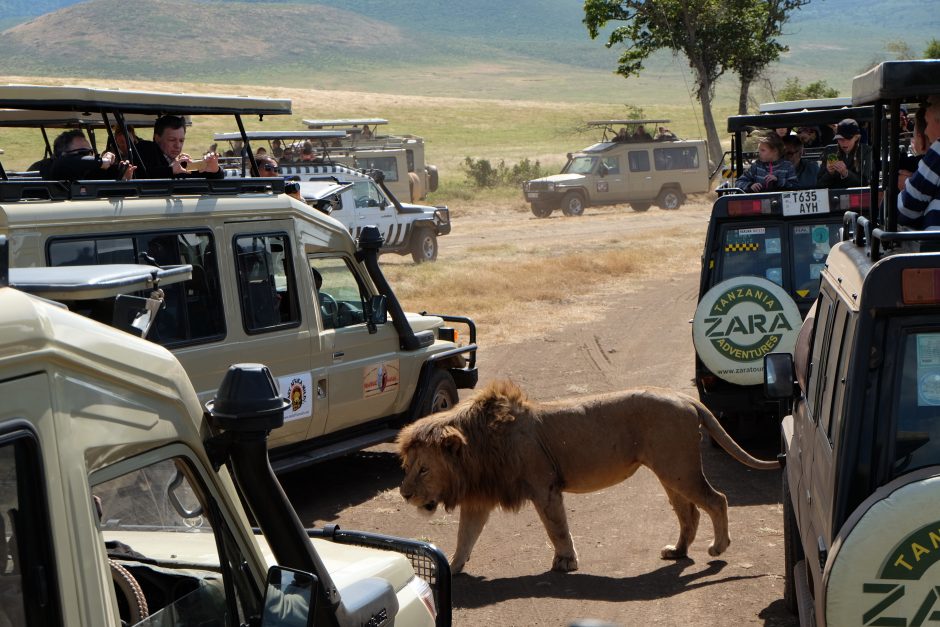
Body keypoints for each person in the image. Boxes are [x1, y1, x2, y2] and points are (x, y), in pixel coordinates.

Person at [897, 96, 940, 230]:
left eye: (928, 123)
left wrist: (906, 184)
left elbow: (905, 209)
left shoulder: (938, 152)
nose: (926, 131)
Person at [135, 115, 222, 179]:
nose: (178, 146)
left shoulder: (179, 163)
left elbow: (198, 176)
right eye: (172, 140)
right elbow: (142, 174)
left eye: (181, 140)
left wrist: (215, 170)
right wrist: (170, 170)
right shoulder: (146, 148)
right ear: (157, 138)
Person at [43, 129, 136, 180]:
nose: (89, 156)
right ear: (63, 154)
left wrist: (123, 177)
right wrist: (103, 161)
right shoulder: (56, 167)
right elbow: (64, 162)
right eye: (82, 153)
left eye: (90, 152)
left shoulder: (90, 173)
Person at [816, 118, 871, 188]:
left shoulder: (866, 151)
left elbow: (866, 182)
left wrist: (846, 173)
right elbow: (819, 184)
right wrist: (829, 173)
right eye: (840, 139)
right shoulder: (829, 151)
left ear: (857, 137)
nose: (844, 142)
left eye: (848, 138)